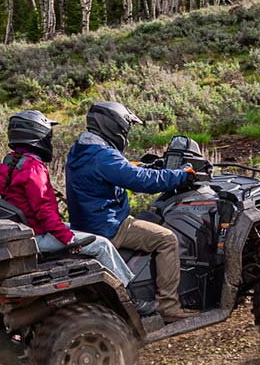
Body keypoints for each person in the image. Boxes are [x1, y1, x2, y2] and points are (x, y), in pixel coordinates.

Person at [66, 101, 198, 323]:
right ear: (113, 126)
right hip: (109, 226)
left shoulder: (81, 150)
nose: (125, 132)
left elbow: (119, 171)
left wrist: (138, 166)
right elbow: (140, 181)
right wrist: (182, 174)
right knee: (166, 239)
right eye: (125, 127)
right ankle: (169, 307)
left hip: (86, 222)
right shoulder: (103, 156)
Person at [0, 110, 134, 287]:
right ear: (37, 134)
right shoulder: (33, 168)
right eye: (48, 134)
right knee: (102, 245)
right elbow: (44, 210)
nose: (49, 139)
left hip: (28, 229)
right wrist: (68, 239)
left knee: (82, 230)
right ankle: (128, 291)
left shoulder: (10, 162)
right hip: (38, 233)